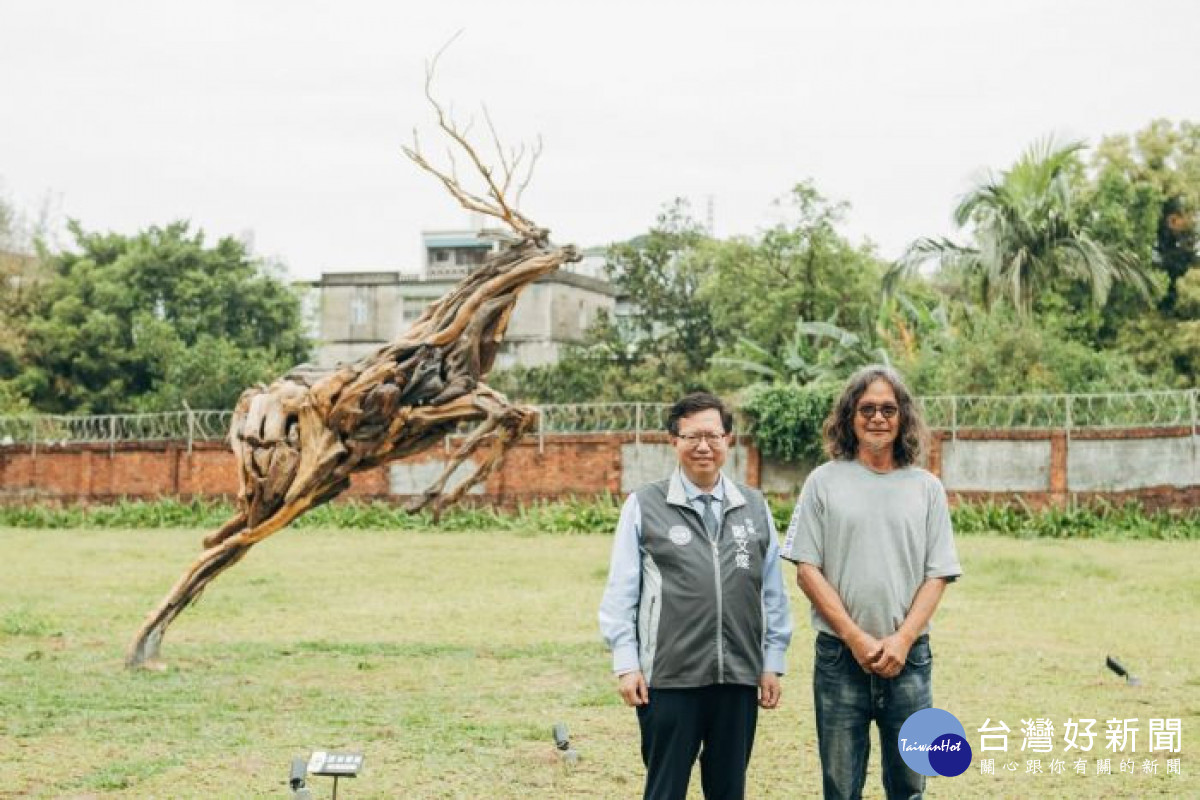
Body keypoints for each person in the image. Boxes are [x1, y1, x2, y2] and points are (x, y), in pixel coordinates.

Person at [599, 391, 792, 800]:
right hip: (668, 678)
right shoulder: (644, 505)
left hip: (738, 676)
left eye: (712, 435)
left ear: (728, 440)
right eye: (691, 437)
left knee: (728, 790)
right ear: (674, 442)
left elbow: (772, 591)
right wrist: (626, 664)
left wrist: (771, 661)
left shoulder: (754, 507)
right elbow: (622, 590)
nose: (703, 446)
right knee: (665, 788)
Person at [780, 365, 962, 800]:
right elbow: (807, 570)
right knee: (841, 788)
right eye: (866, 409)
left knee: (910, 785)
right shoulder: (823, 482)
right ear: (849, 417)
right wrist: (856, 639)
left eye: (888, 408)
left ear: (902, 418)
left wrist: (901, 640)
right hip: (839, 659)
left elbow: (938, 573)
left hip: (910, 661)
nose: (877, 417)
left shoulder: (927, 488)